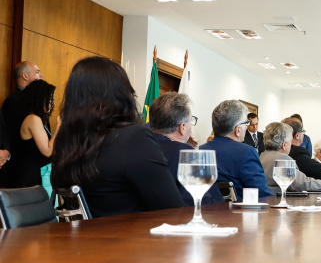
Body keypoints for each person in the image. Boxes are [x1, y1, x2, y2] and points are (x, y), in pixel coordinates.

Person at [50, 56, 184, 217]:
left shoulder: (67, 143)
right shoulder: (134, 138)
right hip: (136, 239)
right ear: (122, 94)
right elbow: (173, 210)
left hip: (86, 239)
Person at [148, 92, 222, 207]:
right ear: (182, 127)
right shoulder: (182, 152)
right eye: (191, 121)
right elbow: (209, 203)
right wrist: (194, 154)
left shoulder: (141, 146)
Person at [201, 101, 273, 200]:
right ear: (238, 130)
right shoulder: (246, 153)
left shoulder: (198, 151)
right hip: (238, 213)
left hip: (203, 212)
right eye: (247, 123)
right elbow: (262, 194)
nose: (247, 127)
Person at [259, 122, 321, 193]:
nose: (291, 145)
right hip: (280, 201)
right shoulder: (282, 159)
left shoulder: (261, 156)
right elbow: (303, 184)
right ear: (284, 145)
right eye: (290, 141)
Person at [13, 79, 56, 192]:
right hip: (33, 178)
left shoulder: (39, 119)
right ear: (39, 98)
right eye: (49, 99)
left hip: (39, 175)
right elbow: (47, 151)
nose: (52, 103)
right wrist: (60, 127)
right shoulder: (33, 119)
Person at [2, 60, 43, 140]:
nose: (41, 75)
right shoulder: (13, 101)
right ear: (25, 76)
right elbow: (13, 134)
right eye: (37, 72)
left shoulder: (36, 98)